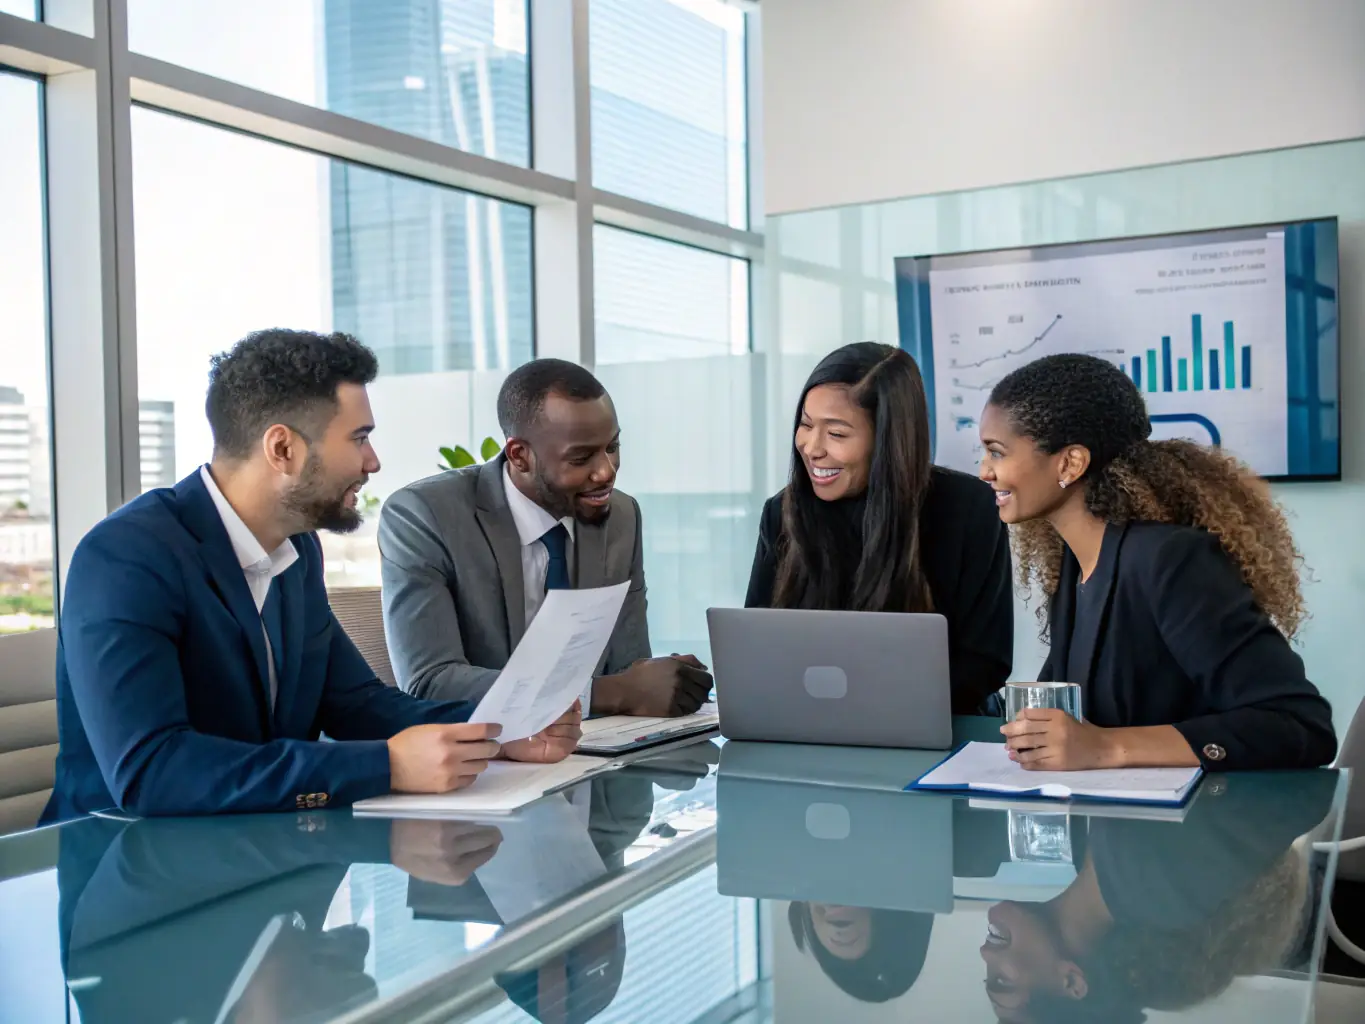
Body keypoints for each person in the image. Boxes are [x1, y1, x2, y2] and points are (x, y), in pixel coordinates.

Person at [43, 330, 580, 822]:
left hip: (253, 858)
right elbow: (150, 772)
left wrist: (499, 729)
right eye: (359, 438)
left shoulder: (296, 548)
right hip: (121, 874)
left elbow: (354, 704)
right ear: (283, 449)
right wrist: (384, 767)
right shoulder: (125, 557)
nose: (373, 462)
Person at [979, 353, 1336, 771]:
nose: (985, 471)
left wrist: (1108, 748)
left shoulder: (1169, 560)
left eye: (997, 452)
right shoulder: (1074, 564)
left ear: (1070, 463)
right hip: (1120, 826)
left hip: (1203, 826)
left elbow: (1299, 725)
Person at [380, 358, 713, 717]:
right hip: (487, 756)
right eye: (581, 458)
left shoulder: (622, 516)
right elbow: (430, 681)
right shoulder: (423, 515)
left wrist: (661, 684)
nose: (606, 471)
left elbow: (628, 667)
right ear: (520, 456)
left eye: (612, 447)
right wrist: (607, 693)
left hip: (599, 752)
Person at [746, 342, 1013, 714]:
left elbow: (986, 661)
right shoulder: (782, 511)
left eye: (836, 434)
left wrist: (870, 705)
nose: (811, 448)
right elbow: (755, 647)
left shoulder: (968, 508)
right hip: (810, 722)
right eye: (805, 425)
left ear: (889, 439)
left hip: (939, 721)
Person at [979, 771, 1338, 1022]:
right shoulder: (1153, 869)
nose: (984, 953)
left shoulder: (1090, 854)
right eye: (1002, 981)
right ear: (1071, 982)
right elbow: (1304, 791)